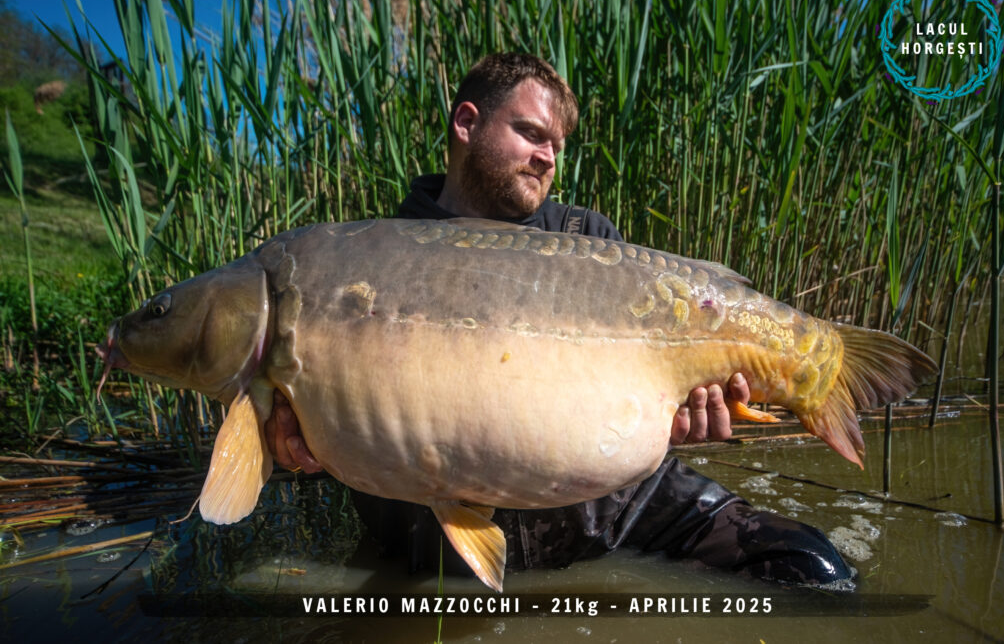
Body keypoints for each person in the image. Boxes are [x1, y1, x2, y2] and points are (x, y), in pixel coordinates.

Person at [265, 53, 852, 587]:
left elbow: (637, 409)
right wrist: (299, 450)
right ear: (466, 124)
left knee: (812, 568)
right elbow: (329, 429)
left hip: (609, 513)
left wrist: (685, 418)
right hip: (434, 542)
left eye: (557, 145)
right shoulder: (362, 264)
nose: (548, 156)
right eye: (530, 133)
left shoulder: (588, 240)